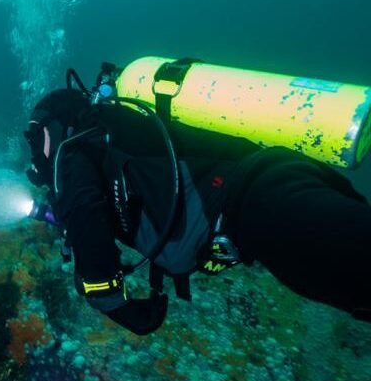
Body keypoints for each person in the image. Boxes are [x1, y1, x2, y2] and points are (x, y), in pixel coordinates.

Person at [24, 87, 371, 335]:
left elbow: (86, 214)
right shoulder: (109, 135)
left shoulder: (73, 150)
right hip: (266, 192)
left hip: (255, 201)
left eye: (34, 136)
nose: (34, 153)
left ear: (53, 127)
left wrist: (116, 305)